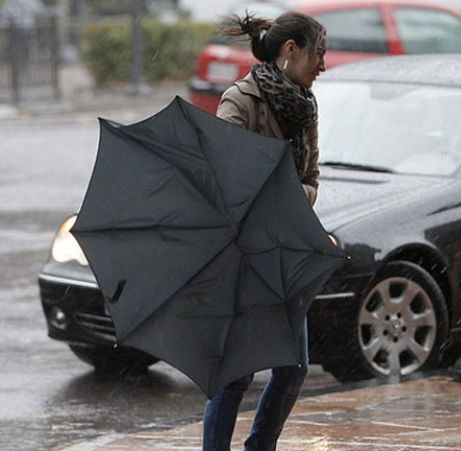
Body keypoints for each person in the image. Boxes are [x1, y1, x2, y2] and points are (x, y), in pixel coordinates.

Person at [203, 11, 326, 451]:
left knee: (293, 367)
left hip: (286, 252)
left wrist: (294, 200)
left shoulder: (305, 106)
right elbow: (227, 178)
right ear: (290, 51)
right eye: (319, 54)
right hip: (243, 253)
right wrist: (274, 196)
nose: (323, 65)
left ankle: (260, 446)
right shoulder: (240, 100)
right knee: (236, 372)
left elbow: (311, 177)